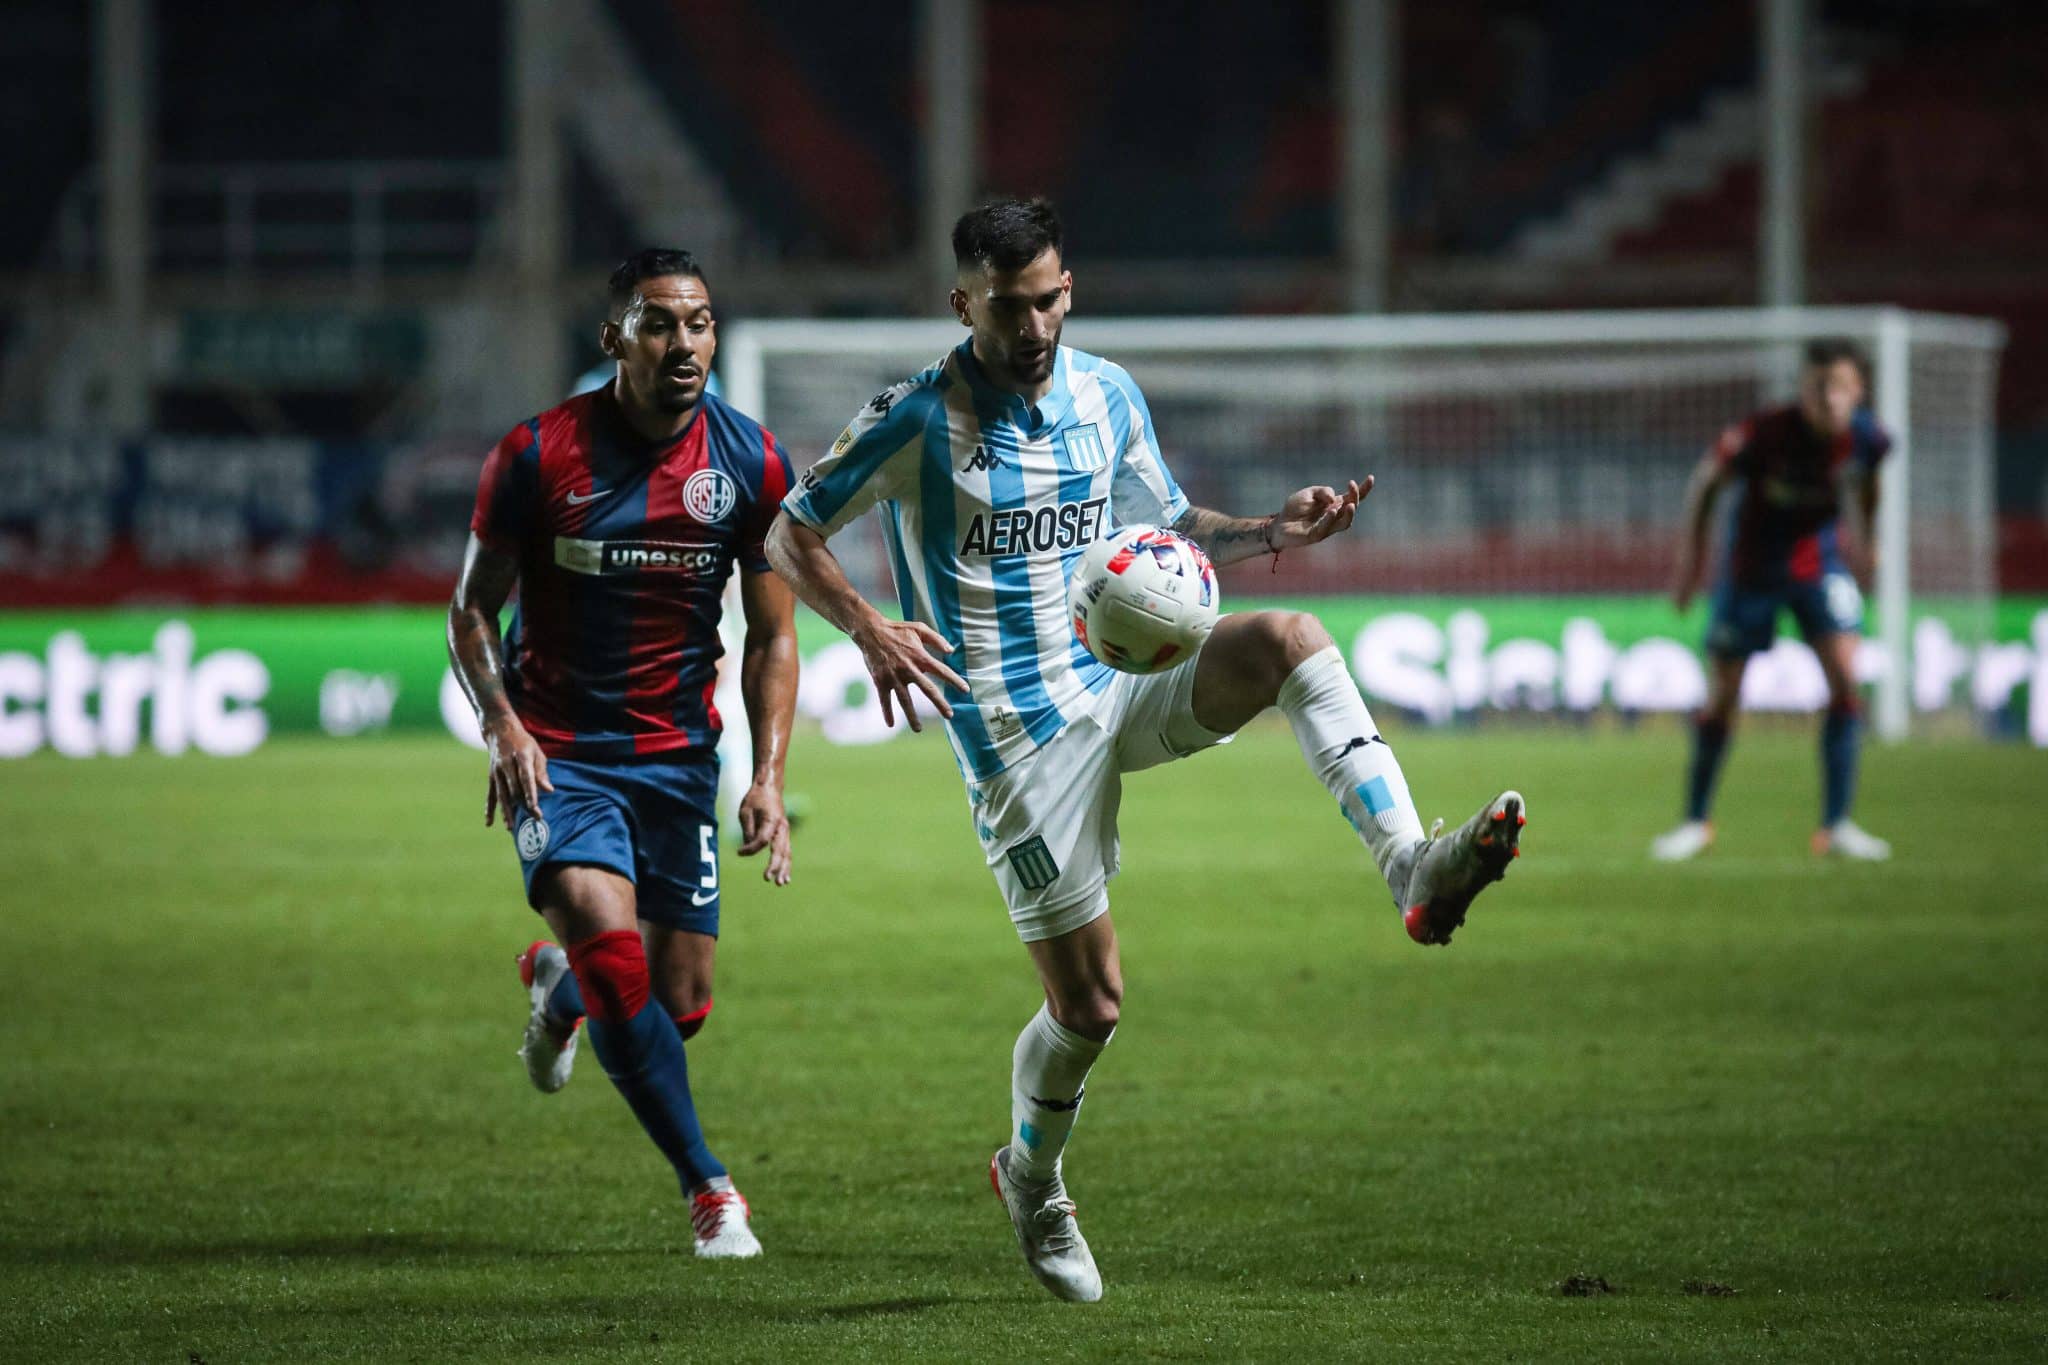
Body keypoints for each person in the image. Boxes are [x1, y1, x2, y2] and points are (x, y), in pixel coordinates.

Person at [765, 198, 1524, 1303]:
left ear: (1068, 288)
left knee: (1289, 643)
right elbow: (791, 531)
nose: (1035, 326)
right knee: (1091, 1009)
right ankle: (1028, 1176)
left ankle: (1411, 867)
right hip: (1017, 744)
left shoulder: (1106, 393)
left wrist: (1272, 529)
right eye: (1010, 306)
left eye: (1051, 299)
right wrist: (870, 627)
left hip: (1117, 676)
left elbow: (1166, 519)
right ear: (962, 302)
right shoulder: (913, 419)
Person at [447, 248, 799, 1258]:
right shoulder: (535, 453)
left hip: (677, 759)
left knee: (672, 1006)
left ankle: (557, 990)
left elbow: (775, 637)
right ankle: (710, 1190)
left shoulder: (751, 464)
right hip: (557, 752)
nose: (680, 342)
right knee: (616, 968)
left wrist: (768, 778)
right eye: (656, 323)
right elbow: (471, 609)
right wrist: (502, 724)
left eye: (696, 323)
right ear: (613, 340)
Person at [1653, 339, 1893, 863]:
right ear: (1802, 390)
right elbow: (1706, 484)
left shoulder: (1868, 440)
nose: (1828, 399)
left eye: (1839, 388)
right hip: (1752, 568)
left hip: (1819, 563)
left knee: (1846, 679)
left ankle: (1837, 825)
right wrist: (1690, 563)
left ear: (1858, 392)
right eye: (1818, 388)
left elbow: (1869, 489)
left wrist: (1866, 543)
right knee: (1724, 693)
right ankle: (1696, 822)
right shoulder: (1764, 434)